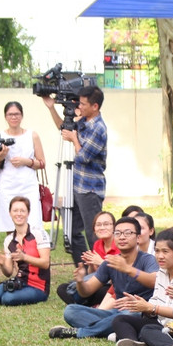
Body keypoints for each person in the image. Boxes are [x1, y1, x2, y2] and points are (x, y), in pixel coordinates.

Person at [51, 216, 158, 339]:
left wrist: (128, 269)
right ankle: (109, 328)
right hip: (114, 313)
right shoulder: (110, 262)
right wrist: (80, 281)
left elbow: (153, 281)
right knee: (70, 311)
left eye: (128, 233)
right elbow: (87, 291)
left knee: (129, 315)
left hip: (139, 312)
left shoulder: (147, 259)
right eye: (118, 233)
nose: (122, 237)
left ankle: (80, 332)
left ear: (138, 238)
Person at [42, 86, 106, 264]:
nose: (80, 106)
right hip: (76, 186)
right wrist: (51, 107)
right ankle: (84, 268)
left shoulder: (98, 128)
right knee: (71, 231)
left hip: (90, 189)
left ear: (95, 106)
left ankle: (99, 274)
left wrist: (74, 139)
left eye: (83, 104)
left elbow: (84, 157)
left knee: (94, 233)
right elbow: (63, 128)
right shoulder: (84, 122)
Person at [110, 228, 173, 346]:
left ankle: (141, 338)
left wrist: (151, 308)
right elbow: (155, 301)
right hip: (158, 322)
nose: (160, 256)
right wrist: (140, 304)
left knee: (146, 330)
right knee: (120, 319)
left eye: (165, 251)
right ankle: (134, 341)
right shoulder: (162, 272)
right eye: (157, 251)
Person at [0, 196, 51, 307]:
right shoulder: (9, 240)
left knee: (7, 299)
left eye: (22, 211)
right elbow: (8, 272)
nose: (19, 214)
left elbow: (45, 263)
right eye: (15, 211)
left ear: (28, 213)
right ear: (10, 213)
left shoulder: (39, 234)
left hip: (38, 287)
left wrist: (24, 257)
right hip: (20, 282)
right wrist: (2, 264)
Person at [0, 101, 46, 233]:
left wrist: (26, 161)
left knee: (32, 223)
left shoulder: (32, 135)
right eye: (10, 114)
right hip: (7, 185)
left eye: (16, 114)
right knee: (10, 223)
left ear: (22, 115)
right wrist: (1, 156)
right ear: (5, 116)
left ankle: (30, 252)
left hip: (28, 185)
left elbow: (42, 163)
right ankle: (12, 251)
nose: (13, 117)